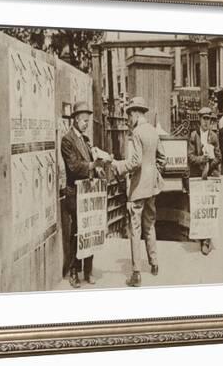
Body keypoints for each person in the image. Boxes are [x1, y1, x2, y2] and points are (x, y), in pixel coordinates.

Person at [111, 97, 166, 287]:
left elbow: (135, 162)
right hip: (151, 188)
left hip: (137, 188)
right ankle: (154, 263)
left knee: (135, 229)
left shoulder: (136, 133)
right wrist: (154, 175)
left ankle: (136, 273)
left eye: (129, 116)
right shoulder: (153, 131)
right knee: (150, 225)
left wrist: (118, 166)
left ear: (135, 113)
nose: (128, 120)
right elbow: (162, 158)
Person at [61, 101, 108, 288]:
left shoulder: (86, 141)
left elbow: (90, 163)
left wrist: (98, 171)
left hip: (88, 193)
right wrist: (92, 166)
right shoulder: (67, 140)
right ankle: (74, 271)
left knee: (90, 231)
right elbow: (73, 167)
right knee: (77, 233)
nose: (87, 124)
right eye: (84, 121)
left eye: (88, 121)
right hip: (75, 193)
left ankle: (88, 270)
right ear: (75, 119)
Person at [187, 106, 221, 255]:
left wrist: (210, 162)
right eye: (204, 118)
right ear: (200, 120)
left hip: (211, 176)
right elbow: (190, 156)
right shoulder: (194, 136)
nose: (206, 122)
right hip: (197, 176)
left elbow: (219, 156)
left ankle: (207, 240)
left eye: (209, 119)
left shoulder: (213, 136)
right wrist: (202, 160)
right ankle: (201, 236)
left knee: (209, 208)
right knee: (199, 208)